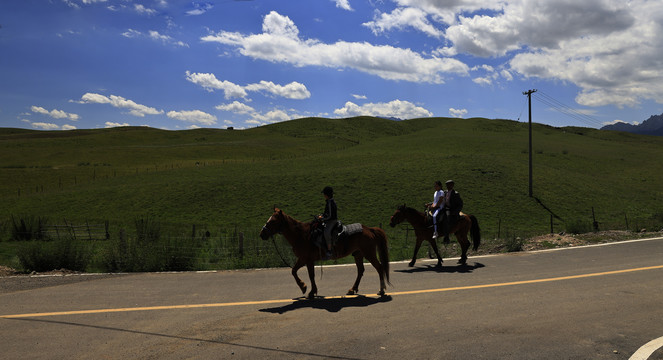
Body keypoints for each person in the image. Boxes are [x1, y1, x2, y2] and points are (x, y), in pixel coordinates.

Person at [318, 186, 338, 258]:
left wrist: (323, 218)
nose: (324, 195)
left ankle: (329, 250)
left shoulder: (330, 202)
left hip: (332, 221)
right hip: (328, 220)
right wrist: (321, 216)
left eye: (324, 194)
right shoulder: (329, 202)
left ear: (327, 195)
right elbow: (326, 213)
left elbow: (330, 215)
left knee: (326, 232)